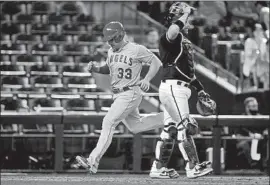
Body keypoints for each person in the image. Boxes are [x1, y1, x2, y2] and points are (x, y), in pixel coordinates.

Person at [75, 21, 168, 174]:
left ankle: (92, 161)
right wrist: (96, 69)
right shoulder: (111, 51)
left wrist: (146, 79)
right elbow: (109, 68)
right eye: (108, 40)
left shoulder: (136, 49)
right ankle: (169, 118)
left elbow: (156, 62)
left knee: (109, 121)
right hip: (118, 94)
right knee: (135, 126)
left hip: (129, 92)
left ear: (120, 35)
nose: (110, 42)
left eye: (112, 39)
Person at [149, 2, 213, 179]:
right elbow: (172, 32)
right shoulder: (170, 37)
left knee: (170, 128)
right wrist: (183, 15)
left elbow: (188, 73)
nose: (189, 19)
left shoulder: (183, 41)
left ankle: (157, 168)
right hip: (173, 87)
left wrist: (200, 90)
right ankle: (192, 167)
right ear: (177, 18)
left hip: (177, 87)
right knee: (187, 126)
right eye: (185, 16)